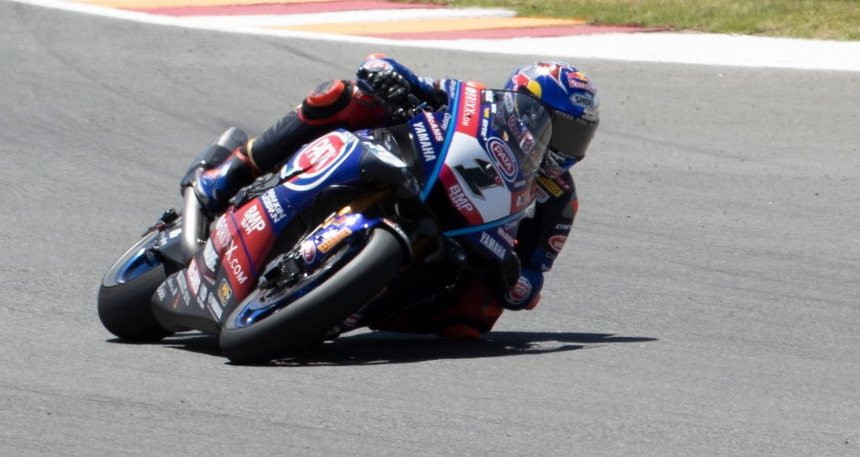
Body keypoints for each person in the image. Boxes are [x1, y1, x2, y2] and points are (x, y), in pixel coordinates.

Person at [191, 55, 599, 339]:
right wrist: (386, 75)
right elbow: (406, 78)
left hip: (466, 244)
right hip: (408, 166)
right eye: (558, 129)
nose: (565, 146)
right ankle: (228, 174)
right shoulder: (478, 100)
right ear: (523, 107)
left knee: (473, 320)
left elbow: (532, 279)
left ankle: (350, 305)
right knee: (343, 95)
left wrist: (517, 281)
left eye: (577, 136)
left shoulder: (559, 198)